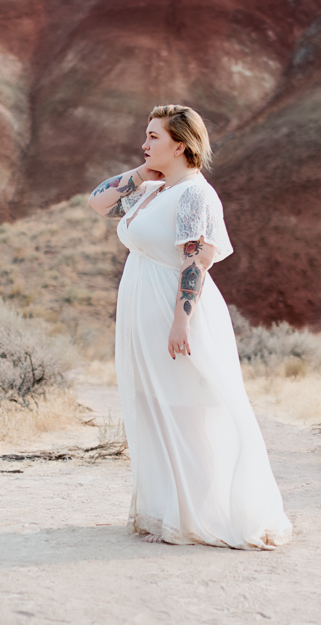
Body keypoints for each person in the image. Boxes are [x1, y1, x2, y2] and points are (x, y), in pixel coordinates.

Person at [88, 104, 293, 550]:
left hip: (176, 314)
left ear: (180, 144)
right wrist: (142, 174)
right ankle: (170, 510)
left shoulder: (194, 195)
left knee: (187, 409)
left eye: (153, 137)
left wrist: (182, 321)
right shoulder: (153, 190)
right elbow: (98, 201)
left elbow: (194, 261)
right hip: (144, 311)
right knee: (156, 409)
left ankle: (204, 515)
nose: (144, 145)